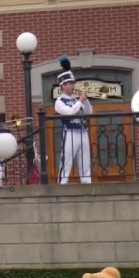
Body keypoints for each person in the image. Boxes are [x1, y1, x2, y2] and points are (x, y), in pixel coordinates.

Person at [54, 56, 93, 184]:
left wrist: (85, 101)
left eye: (73, 83)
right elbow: (69, 113)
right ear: (63, 86)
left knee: (85, 161)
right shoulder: (59, 101)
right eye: (70, 83)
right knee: (67, 161)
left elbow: (89, 112)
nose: (72, 86)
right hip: (70, 132)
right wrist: (80, 101)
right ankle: (62, 186)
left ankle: (87, 184)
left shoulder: (75, 100)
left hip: (83, 132)